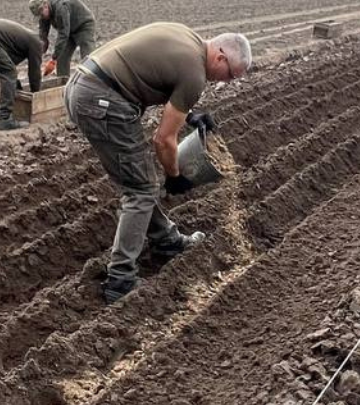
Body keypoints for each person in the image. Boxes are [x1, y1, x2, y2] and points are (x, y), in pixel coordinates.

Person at [64, 23, 253, 303]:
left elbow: (158, 74)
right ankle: (120, 279)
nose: (224, 82)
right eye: (229, 75)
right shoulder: (195, 73)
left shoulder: (188, 38)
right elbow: (163, 140)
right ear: (221, 58)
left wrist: (190, 115)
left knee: (139, 179)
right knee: (141, 189)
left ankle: (166, 239)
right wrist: (175, 175)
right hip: (102, 100)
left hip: (84, 86)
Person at [29, 0, 98, 78]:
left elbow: (63, 34)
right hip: (68, 29)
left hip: (83, 25)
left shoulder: (61, 7)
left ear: (45, 5)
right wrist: (41, 48)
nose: (41, 17)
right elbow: (43, 31)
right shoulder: (44, 12)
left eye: (41, 15)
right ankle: (63, 82)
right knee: (62, 57)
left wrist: (53, 59)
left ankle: (93, 80)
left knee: (87, 57)